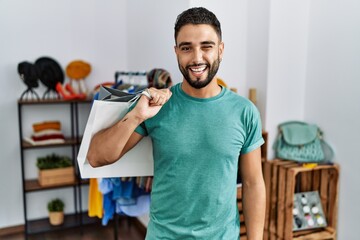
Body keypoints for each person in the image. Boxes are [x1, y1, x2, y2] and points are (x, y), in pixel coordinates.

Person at [87, 7, 265, 240]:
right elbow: (96, 157)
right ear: (176, 52)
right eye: (186, 48)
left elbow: (253, 184)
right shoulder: (156, 106)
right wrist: (137, 116)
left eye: (207, 46)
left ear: (221, 50)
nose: (197, 57)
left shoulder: (245, 112)